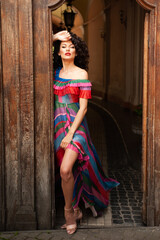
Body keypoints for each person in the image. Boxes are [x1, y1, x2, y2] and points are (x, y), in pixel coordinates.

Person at [52, 30, 119, 234]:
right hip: (57, 126)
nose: (68, 50)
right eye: (64, 47)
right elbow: (36, 52)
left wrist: (71, 134)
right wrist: (54, 37)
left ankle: (69, 213)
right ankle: (75, 209)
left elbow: (83, 108)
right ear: (58, 52)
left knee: (65, 169)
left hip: (76, 128)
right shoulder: (53, 72)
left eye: (72, 47)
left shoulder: (82, 74)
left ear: (77, 52)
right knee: (66, 173)